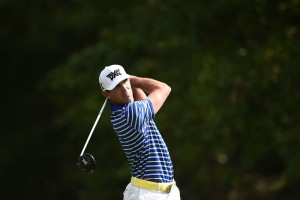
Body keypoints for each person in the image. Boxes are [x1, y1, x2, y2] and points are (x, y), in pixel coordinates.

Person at [99, 64, 181, 200]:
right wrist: (133, 79)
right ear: (107, 94)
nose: (125, 88)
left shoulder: (129, 110)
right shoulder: (131, 115)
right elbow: (164, 88)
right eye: (117, 86)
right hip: (147, 194)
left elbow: (142, 100)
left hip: (166, 192)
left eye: (125, 82)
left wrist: (127, 81)